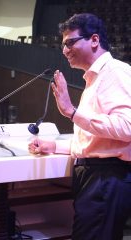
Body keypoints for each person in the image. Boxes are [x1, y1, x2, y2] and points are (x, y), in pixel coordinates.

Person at [28, 13, 131, 240]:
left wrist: (71, 112)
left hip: (107, 178)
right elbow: (96, 142)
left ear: (94, 40)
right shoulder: (94, 79)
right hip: (96, 177)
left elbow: (127, 128)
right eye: (63, 44)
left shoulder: (116, 73)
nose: (64, 50)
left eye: (70, 42)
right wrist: (53, 146)